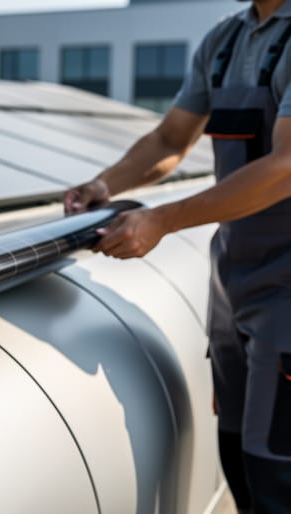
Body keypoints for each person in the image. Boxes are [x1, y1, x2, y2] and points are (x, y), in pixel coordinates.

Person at [64, 0, 291, 512]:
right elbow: (170, 138)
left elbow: (286, 165)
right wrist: (105, 184)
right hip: (234, 284)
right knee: (236, 457)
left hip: (286, 294)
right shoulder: (225, 39)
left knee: (277, 472)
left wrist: (163, 220)